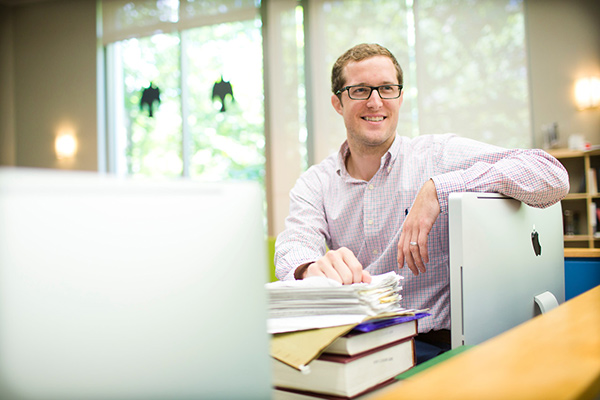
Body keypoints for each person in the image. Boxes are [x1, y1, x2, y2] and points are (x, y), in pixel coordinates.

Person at [274, 43, 569, 362]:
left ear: (399, 97)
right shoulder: (316, 182)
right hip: (355, 345)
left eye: (386, 88)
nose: (375, 102)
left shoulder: (437, 156)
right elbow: (295, 242)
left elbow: (551, 174)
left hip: (438, 346)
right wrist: (310, 267)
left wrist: (438, 189)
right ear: (338, 102)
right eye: (360, 90)